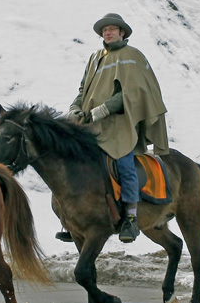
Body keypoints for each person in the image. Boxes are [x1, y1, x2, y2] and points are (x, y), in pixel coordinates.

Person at [66, 13, 169, 243]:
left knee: (124, 163)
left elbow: (133, 92)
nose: (108, 32)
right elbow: (83, 90)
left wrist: (105, 109)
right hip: (91, 125)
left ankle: (131, 218)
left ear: (122, 32)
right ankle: (73, 218)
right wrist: (74, 109)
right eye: (105, 30)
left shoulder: (132, 56)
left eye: (112, 29)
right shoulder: (94, 58)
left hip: (120, 125)